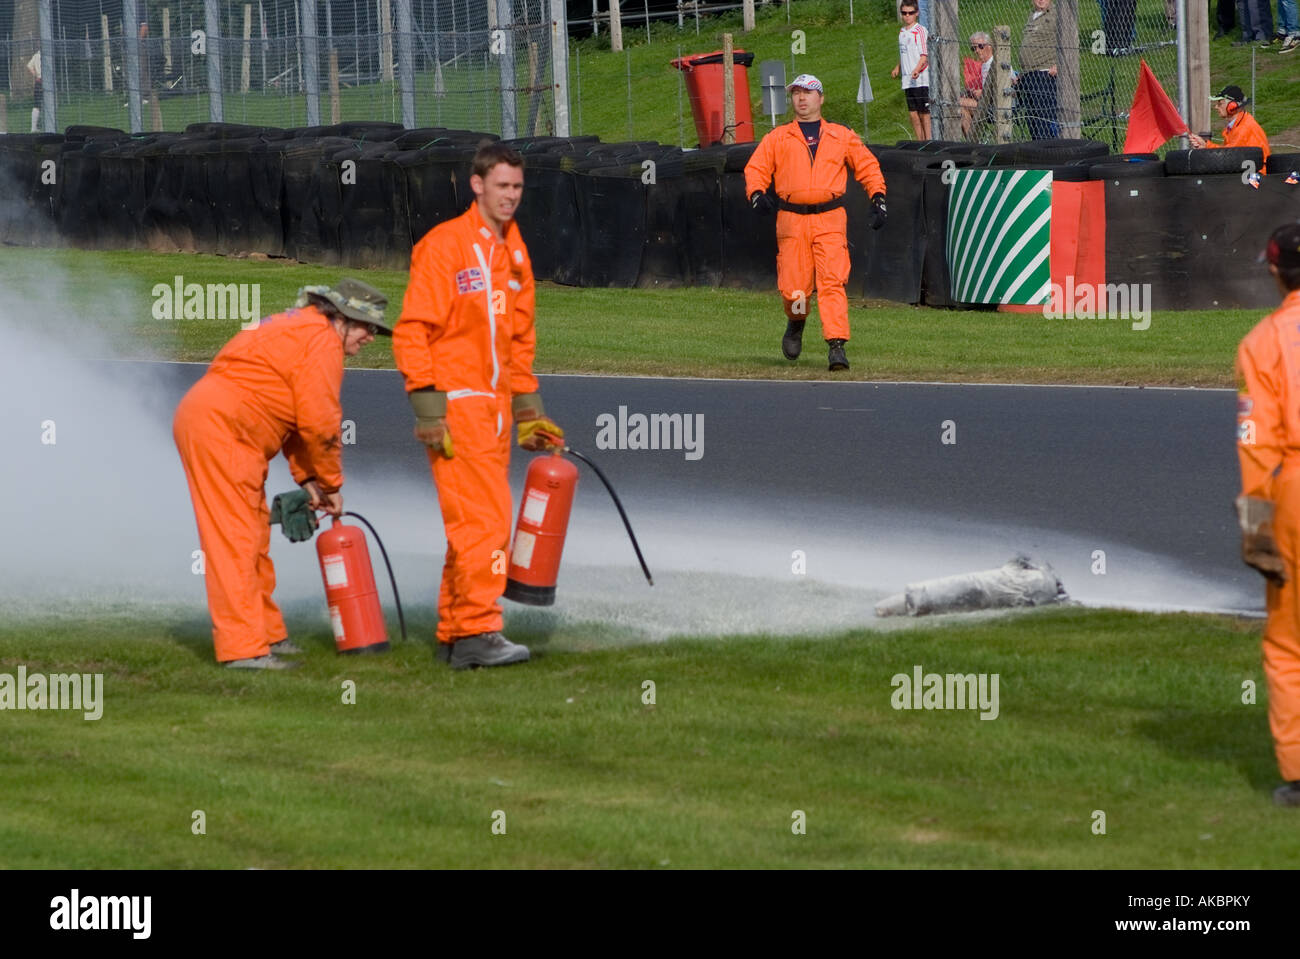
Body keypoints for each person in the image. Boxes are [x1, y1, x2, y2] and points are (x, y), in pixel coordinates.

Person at [394, 141, 564, 671]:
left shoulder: (514, 251)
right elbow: (412, 330)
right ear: (477, 185)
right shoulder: (445, 246)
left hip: (492, 411)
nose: (511, 196)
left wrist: (528, 410)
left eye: (517, 187)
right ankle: (477, 629)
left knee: (474, 524)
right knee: (484, 527)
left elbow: (521, 336)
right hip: (455, 407)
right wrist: (428, 410)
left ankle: (455, 631)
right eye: (502, 186)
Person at [173, 279, 391, 669]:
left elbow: (292, 414)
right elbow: (320, 422)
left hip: (226, 424)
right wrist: (331, 483)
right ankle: (242, 649)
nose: (370, 337)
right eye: (366, 326)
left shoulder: (302, 327)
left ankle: (268, 634)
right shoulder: (322, 341)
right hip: (225, 428)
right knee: (235, 540)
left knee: (252, 535)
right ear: (341, 318)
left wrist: (308, 481)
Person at [744, 74, 887, 372]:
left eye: (808, 93)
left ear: (821, 99)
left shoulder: (841, 135)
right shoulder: (778, 137)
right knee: (795, 288)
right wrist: (757, 194)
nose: (802, 98)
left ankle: (836, 346)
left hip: (830, 219)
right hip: (792, 220)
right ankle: (796, 322)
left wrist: (878, 197)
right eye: (796, 93)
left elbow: (867, 165)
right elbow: (756, 168)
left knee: (832, 282)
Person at [1233, 222, 1300, 806]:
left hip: (1293, 492)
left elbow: (1257, 442)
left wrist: (1257, 530)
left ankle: (1299, 775)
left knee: (1288, 642)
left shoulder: (1262, 342)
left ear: (1276, 272)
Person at [1188, 85, 1272, 173]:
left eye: (1220, 103)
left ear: (1232, 106)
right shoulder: (1237, 124)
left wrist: (1206, 146)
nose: (1216, 107)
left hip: (1254, 180)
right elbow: (1228, 152)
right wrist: (1205, 146)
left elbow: (1228, 156)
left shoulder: (1244, 127)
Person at [1016, 0, 1059, 140]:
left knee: (1043, 120)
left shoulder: (1056, 14)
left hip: (1044, 74)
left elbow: (1070, 40)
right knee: (1032, 119)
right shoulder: (1033, 15)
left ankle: (1049, 153)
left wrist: (1060, 64)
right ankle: (1037, 153)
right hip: (1028, 75)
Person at [891, 3, 931, 141]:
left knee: (924, 113)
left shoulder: (920, 30)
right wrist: (898, 67)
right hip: (907, 79)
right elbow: (904, 53)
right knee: (913, 114)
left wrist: (917, 69)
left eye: (910, 13)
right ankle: (920, 141)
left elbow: (924, 55)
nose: (907, 16)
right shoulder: (902, 32)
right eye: (904, 13)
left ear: (917, 13)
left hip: (921, 78)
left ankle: (929, 140)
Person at [960, 32, 994, 139]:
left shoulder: (996, 63)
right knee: (961, 110)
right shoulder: (984, 65)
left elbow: (1004, 87)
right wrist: (975, 92)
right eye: (974, 48)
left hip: (996, 106)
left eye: (980, 46)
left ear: (989, 46)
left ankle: (973, 142)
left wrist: (982, 93)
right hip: (985, 102)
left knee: (955, 102)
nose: (977, 51)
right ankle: (972, 141)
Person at [26, 48, 41, 133]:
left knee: (37, 104)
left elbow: (29, 66)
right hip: (45, 81)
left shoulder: (36, 55)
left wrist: (35, 75)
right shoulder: (44, 56)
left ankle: (34, 127)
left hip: (38, 81)